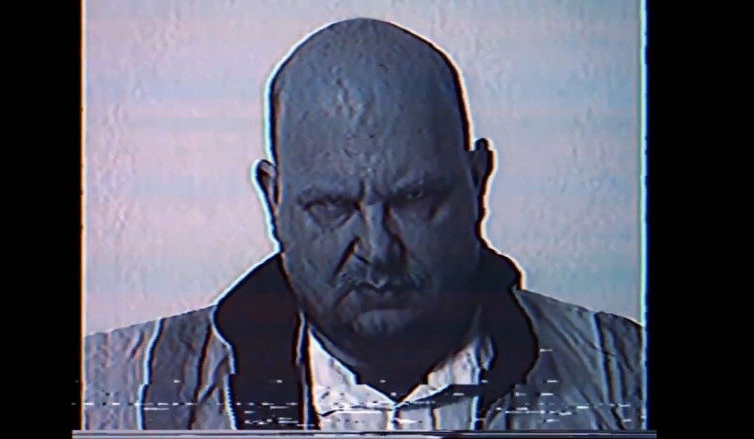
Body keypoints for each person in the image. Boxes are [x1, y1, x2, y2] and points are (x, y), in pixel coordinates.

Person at [84, 17, 644, 431]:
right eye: (332, 206)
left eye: (415, 199)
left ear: (478, 183)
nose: (378, 249)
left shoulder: (633, 379)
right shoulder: (107, 396)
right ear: (273, 200)